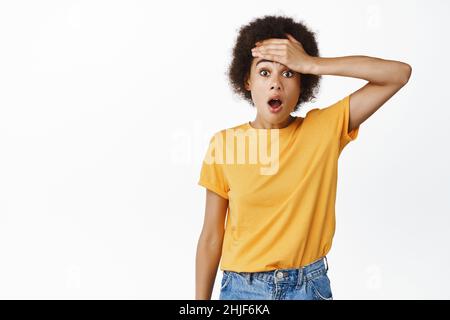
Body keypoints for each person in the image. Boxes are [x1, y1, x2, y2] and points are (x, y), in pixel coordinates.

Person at [195, 15, 411, 300]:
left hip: (308, 288)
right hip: (241, 291)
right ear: (246, 81)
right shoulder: (224, 144)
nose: (276, 84)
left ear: (302, 84)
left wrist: (311, 63)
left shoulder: (323, 129)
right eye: (264, 72)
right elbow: (211, 237)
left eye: (288, 73)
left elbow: (399, 74)